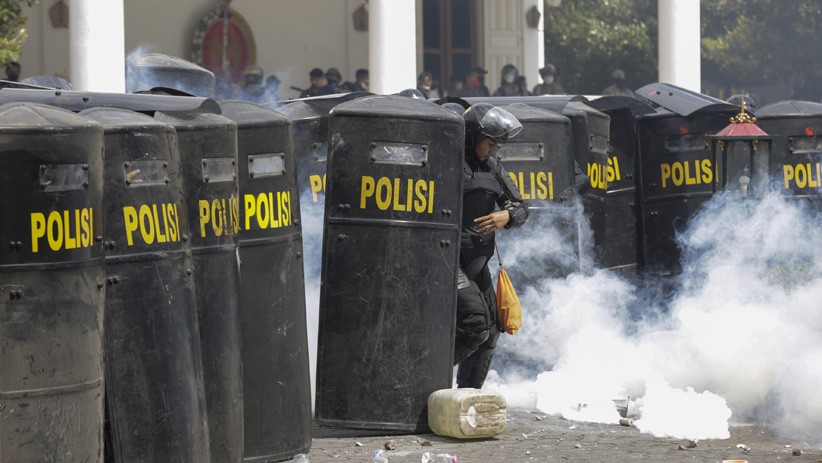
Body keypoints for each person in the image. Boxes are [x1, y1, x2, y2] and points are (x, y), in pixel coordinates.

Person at [455, 103, 529, 388]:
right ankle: (422, 378)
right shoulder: (450, 162)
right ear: (473, 136)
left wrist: (507, 215)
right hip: (448, 260)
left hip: (478, 261)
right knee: (475, 325)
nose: (493, 149)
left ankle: (467, 395)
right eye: (490, 143)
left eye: (497, 144)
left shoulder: (493, 168)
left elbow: (521, 206)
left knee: (492, 329)